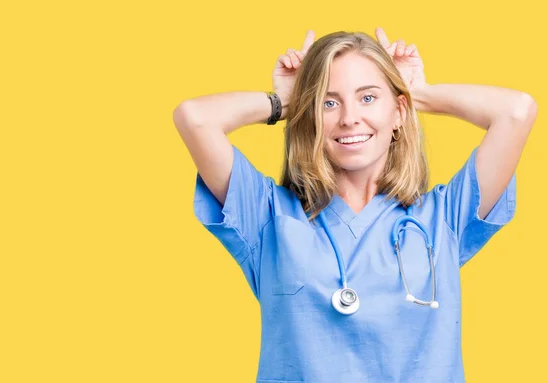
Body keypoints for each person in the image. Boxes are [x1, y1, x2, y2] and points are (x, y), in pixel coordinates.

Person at [172, 27, 537, 383]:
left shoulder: (444, 218)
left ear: (398, 113)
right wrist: (285, 101)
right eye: (328, 102)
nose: (349, 118)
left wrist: (419, 94)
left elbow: (517, 112)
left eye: (367, 98)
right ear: (311, 115)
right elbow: (196, 119)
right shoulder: (267, 217)